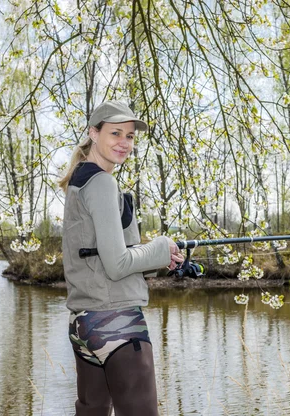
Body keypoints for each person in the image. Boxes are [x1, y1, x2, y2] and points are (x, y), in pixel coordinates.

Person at [59, 101, 183, 416]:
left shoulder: (79, 182)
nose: (124, 143)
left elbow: (98, 259)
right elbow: (117, 265)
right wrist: (161, 245)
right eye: (115, 133)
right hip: (118, 325)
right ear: (93, 133)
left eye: (129, 136)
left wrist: (158, 259)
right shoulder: (101, 181)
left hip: (84, 325)